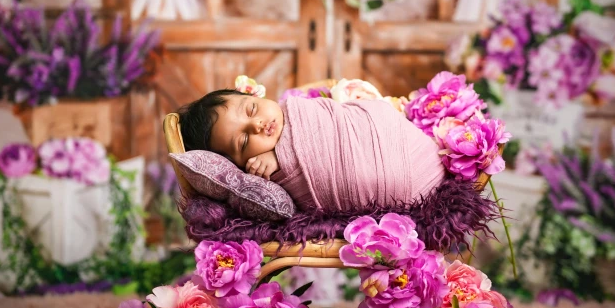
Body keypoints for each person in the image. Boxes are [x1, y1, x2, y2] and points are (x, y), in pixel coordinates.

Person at [177, 88, 445, 213]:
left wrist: (278, 152)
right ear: (238, 162)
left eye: (251, 109)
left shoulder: (297, 111)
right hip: (392, 184)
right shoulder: (261, 171)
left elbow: (342, 118)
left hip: (394, 141)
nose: (257, 125)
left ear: (256, 97)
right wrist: (276, 159)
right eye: (244, 142)